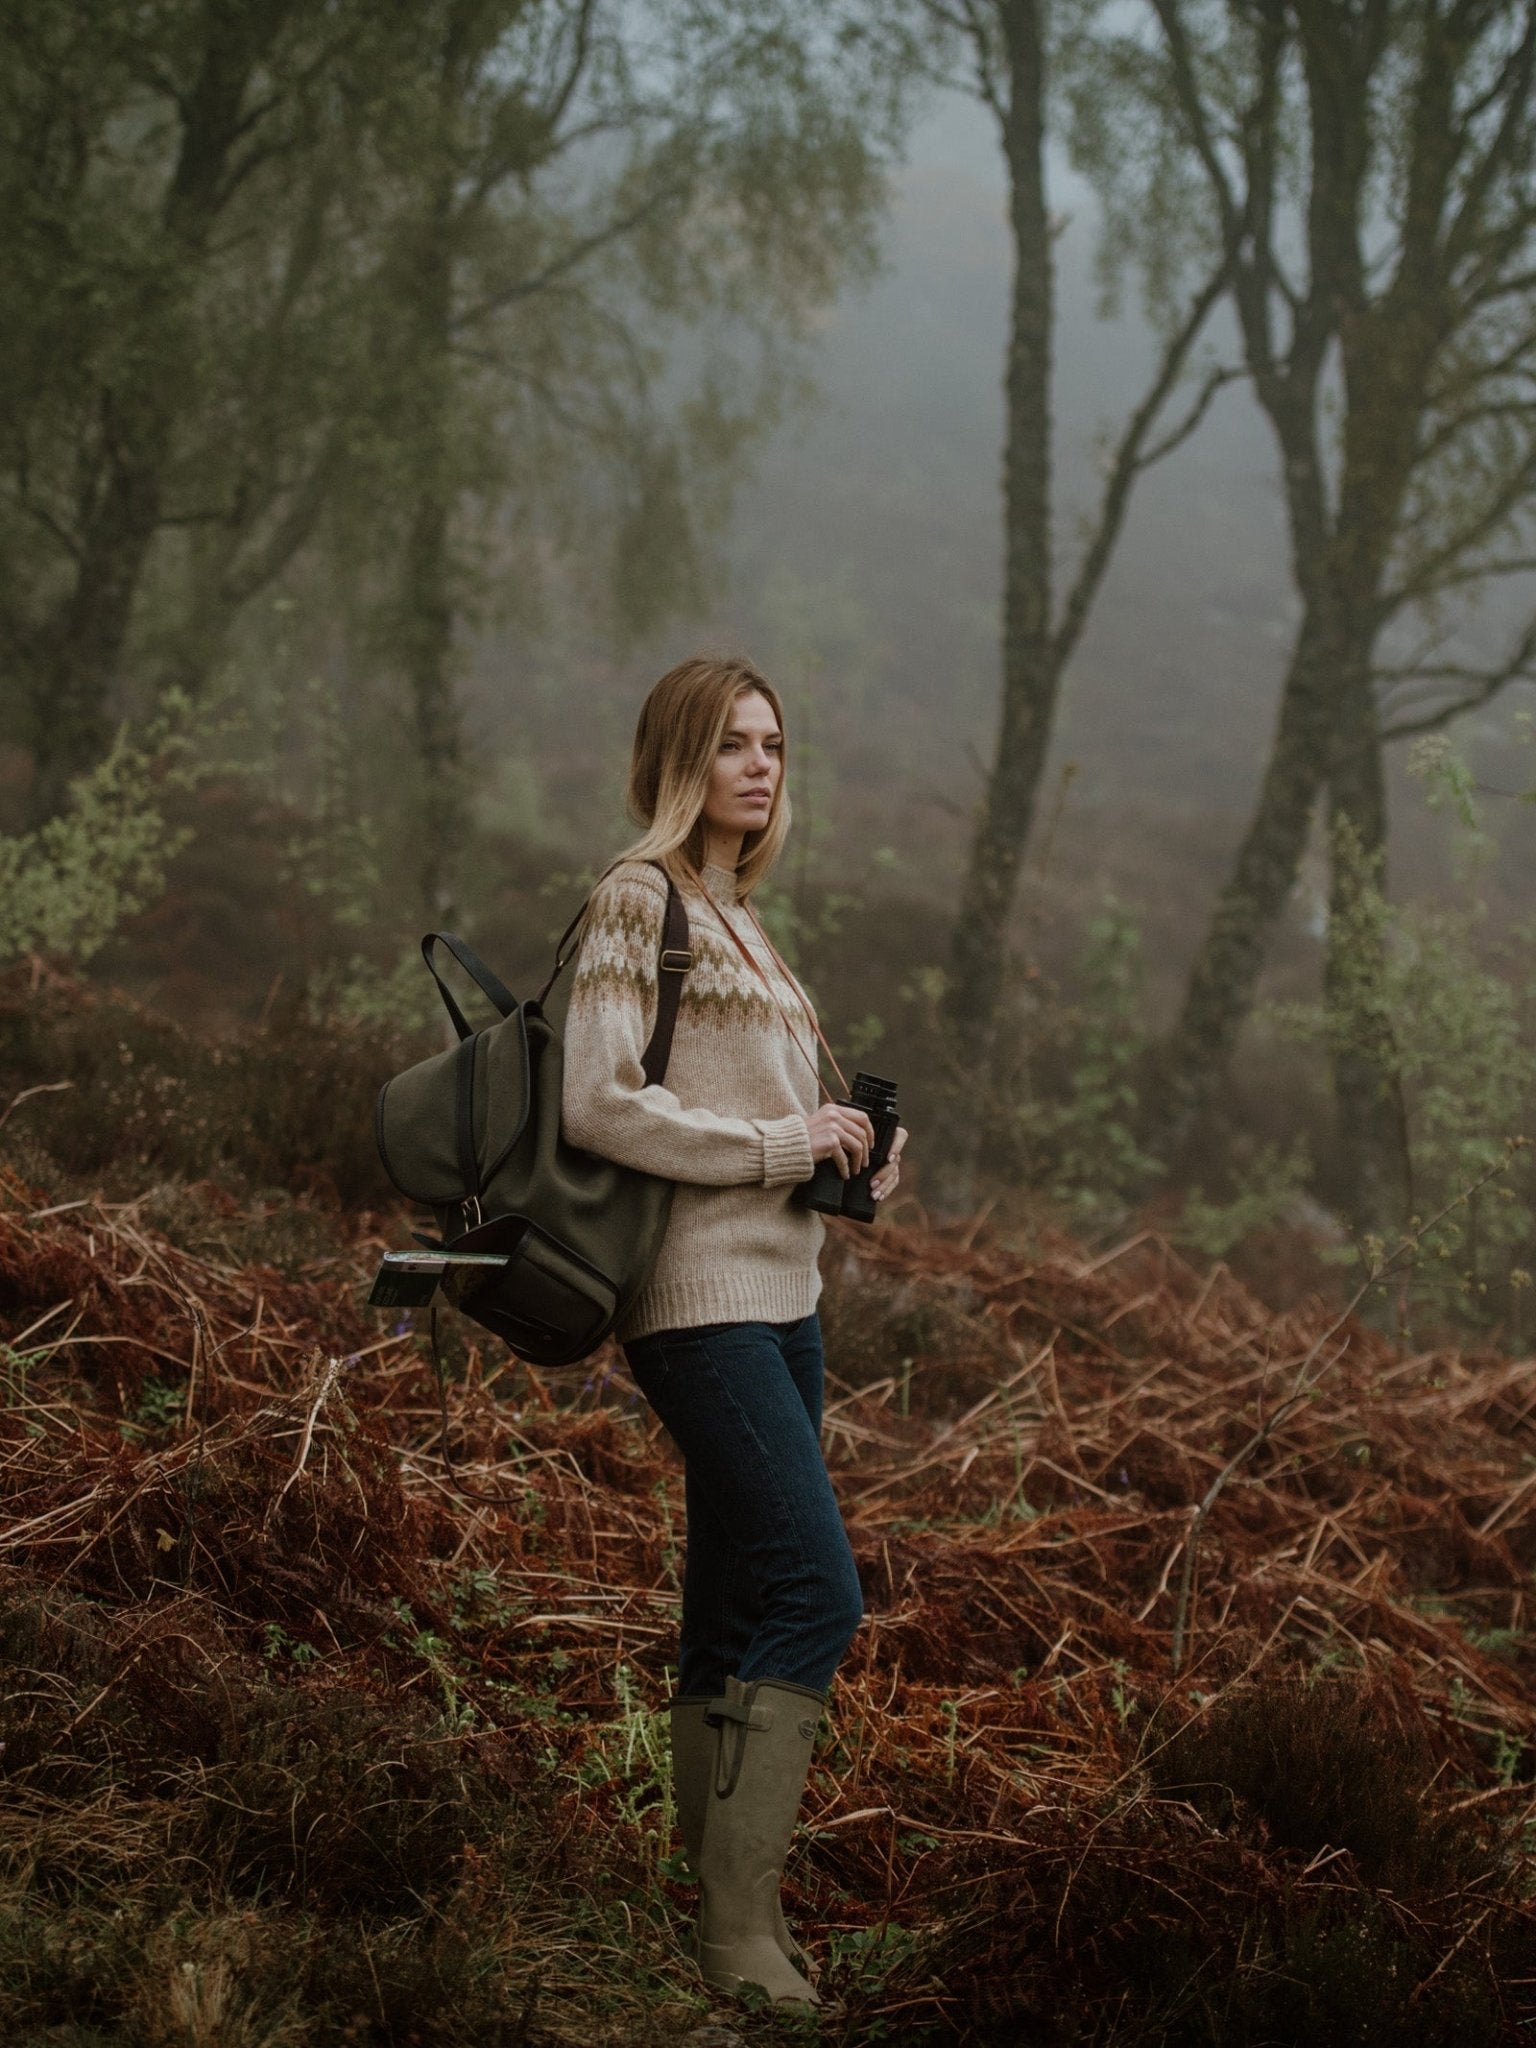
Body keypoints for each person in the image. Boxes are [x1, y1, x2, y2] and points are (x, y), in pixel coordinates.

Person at [561, 654, 907, 2007]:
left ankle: (693, 1888)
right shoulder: (635, 898)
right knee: (819, 1592)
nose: (760, 766)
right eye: (733, 745)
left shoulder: (744, 920)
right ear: (678, 759)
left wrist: (852, 1163)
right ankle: (737, 1931)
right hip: (696, 1306)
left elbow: (760, 1125)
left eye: (773, 745)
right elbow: (600, 1103)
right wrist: (780, 1141)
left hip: (788, 1305)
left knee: (735, 1599)